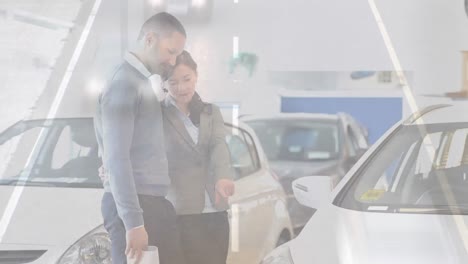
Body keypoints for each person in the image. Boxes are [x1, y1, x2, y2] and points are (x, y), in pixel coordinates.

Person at [94, 12, 186, 264]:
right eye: (170, 51)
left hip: (151, 203)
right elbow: (116, 156)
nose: (173, 60)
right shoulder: (123, 83)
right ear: (149, 39)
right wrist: (133, 223)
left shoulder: (141, 83)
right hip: (137, 206)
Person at [162, 50, 235, 264]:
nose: (182, 88)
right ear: (164, 84)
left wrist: (223, 176)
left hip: (215, 207)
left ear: (196, 75)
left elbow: (219, 146)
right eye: (173, 82)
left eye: (187, 79)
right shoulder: (157, 114)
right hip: (180, 211)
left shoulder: (210, 111)